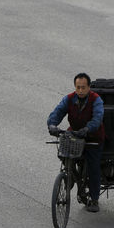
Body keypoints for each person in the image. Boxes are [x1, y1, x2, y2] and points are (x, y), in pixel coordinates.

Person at [47, 73, 105, 213]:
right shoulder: (69, 99)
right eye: (78, 87)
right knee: (64, 153)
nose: (80, 90)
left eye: (83, 87)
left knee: (93, 166)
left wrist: (87, 129)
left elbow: (98, 118)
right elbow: (57, 112)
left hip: (93, 138)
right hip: (75, 135)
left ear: (89, 87)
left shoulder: (96, 100)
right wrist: (52, 125)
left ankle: (94, 198)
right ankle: (71, 175)